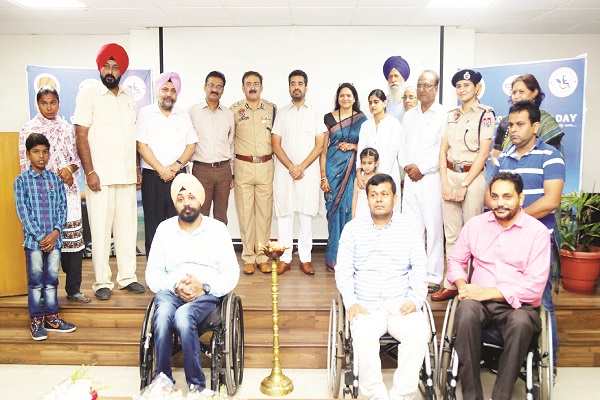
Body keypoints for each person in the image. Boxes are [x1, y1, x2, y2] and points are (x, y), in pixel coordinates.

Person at [447, 171, 550, 400]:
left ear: (520, 198)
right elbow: (456, 261)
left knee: (521, 323)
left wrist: (486, 293)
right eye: (495, 197)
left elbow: (534, 287)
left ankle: (501, 396)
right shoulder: (475, 225)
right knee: (465, 311)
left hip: (518, 306)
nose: (500, 203)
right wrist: (463, 285)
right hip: (477, 302)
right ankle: (472, 396)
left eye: (507, 196)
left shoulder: (537, 233)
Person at [488, 100, 565, 375]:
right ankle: (508, 354)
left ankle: (548, 361)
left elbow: (551, 201)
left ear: (535, 126)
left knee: (542, 301)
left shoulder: (550, 156)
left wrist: (515, 218)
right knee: (504, 298)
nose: (514, 129)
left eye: (520, 124)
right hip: (504, 242)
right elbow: (490, 195)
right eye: (511, 124)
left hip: (537, 242)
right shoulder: (504, 158)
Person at [336, 173, 428, 400]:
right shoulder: (352, 229)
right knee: (362, 335)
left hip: (401, 303)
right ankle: (376, 395)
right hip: (365, 305)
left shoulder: (409, 228)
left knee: (419, 331)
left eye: (384, 194)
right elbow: (343, 271)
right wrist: (351, 302)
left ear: (394, 198)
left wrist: (416, 299)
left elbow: (419, 267)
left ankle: (401, 396)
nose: (379, 199)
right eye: (373, 195)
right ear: (367, 198)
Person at [145, 173, 239, 392]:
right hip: (171, 290)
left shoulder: (217, 229)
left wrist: (204, 287)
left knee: (183, 316)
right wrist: (175, 286)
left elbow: (231, 272)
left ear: (201, 200)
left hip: (205, 294)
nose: (186, 203)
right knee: (162, 316)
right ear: (174, 203)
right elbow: (153, 272)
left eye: (191, 197)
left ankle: (197, 386)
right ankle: (162, 381)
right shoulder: (164, 229)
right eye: (180, 199)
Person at [73, 43, 145, 300]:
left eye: (115, 67)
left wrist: (136, 167)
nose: (110, 71)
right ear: (100, 68)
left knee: (127, 230)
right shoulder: (89, 94)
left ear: (121, 70)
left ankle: (127, 278)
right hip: (99, 177)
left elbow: (131, 135)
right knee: (101, 232)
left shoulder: (128, 96)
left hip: (126, 175)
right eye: (106, 66)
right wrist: (89, 171)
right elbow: (81, 134)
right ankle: (102, 282)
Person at [19, 86, 90, 304]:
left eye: (53, 103)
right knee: (45, 241)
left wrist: (69, 169)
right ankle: (43, 292)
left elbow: (77, 159)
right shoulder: (28, 129)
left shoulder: (67, 129)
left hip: (67, 192)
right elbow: (24, 164)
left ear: (59, 103)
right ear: (37, 104)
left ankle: (74, 289)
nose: (49, 108)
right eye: (44, 103)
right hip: (40, 196)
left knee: (72, 242)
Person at [432, 69, 494, 302]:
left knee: (473, 234)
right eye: (458, 86)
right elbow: (443, 149)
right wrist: (444, 181)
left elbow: (483, 153)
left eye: (467, 85)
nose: (462, 89)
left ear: (477, 88)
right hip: (450, 175)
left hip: (472, 177)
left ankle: (474, 285)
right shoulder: (452, 115)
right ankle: (452, 283)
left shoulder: (485, 114)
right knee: (451, 235)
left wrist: (464, 185)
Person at [14, 133, 77, 341]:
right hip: (34, 242)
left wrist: (56, 232)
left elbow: (62, 208)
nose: (41, 156)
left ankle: (52, 318)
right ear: (28, 155)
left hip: (55, 241)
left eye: (45, 152)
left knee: (51, 280)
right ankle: (36, 320)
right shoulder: (21, 181)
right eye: (36, 152)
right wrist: (42, 237)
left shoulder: (55, 180)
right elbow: (23, 212)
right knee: (35, 282)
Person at [137, 71, 197, 257]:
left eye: (173, 90)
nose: (168, 94)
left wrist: (176, 166)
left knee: (178, 223)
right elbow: (141, 145)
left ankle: (178, 266)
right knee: (153, 225)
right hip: (152, 178)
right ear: (158, 91)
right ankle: (154, 269)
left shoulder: (183, 114)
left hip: (178, 178)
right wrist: (161, 169)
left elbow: (191, 145)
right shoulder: (145, 113)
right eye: (165, 89)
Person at [272, 69, 326, 275]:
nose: (296, 87)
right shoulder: (281, 113)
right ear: (289, 88)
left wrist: (301, 167)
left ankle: (305, 258)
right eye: (293, 83)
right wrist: (291, 167)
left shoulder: (315, 112)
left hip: (307, 172)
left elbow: (320, 144)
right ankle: (285, 258)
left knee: (305, 215)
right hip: (285, 172)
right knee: (285, 215)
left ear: (306, 87)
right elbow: (275, 144)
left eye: (300, 83)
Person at [399, 70, 446, 294]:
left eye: (427, 85)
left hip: (431, 178)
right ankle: (413, 274)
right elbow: (402, 145)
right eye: (419, 85)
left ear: (436, 88)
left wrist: (422, 169)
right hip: (410, 179)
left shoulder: (443, 115)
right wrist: (407, 166)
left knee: (434, 228)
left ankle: (433, 276)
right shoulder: (409, 115)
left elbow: (442, 149)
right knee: (411, 229)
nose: (422, 90)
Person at [230, 71, 277, 275]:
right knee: (245, 214)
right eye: (248, 84)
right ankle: (248, 257)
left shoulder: (272, 109)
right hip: (243, 166)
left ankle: (262, 256)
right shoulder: (234, 110)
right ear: (243, 87)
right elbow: (229, 140)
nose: (252, 87)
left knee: (264, 215)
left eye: (256, 83)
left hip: (266, 165)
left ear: (261, 87)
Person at [320, 83, 368, 271]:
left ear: (354, 98)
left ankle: (348, 259)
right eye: (342, 95)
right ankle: (333, 258)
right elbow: (323, 150)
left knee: (350, 211)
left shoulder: (362, 119)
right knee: (333, 212)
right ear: (337, 98)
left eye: (349, 95)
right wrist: (323, 176)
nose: (345, 98)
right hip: (332, 170)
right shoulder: (329, 118)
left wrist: (353, 147)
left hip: (352, 171)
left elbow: (367, 145)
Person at [189, 71, 235, 225]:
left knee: (221, 216)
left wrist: (232, 173)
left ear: (223, 90)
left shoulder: (228, 113)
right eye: (211, 85)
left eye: (219, 87)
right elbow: (188, 142)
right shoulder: (193, 112)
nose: (214, 89)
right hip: (201, 170)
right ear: (205, 87)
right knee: (200, 214)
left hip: (224, 170)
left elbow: (231, 143)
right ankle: (200, 242)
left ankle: (220, 242)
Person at [491, 74, 564, 163]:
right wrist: (502, 169)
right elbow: (495, 156)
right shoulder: (505, 122)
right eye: (514, 92)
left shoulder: (546, 121)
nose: (516, 96)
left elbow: (551, 157)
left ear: (534, 92)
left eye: (521, 92)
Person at [356, 90, 403, 198]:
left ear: (384, 103)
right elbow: (361, 151)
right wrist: (359, 174)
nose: (373, 105)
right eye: (370, 102)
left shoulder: (393, 123)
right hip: (368, 174)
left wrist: (380, 174)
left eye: (376, 102)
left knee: (388, 202)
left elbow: (393, 151)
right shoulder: (365, 125)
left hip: (389, 173)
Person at [352, 147, 379, 220]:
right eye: (364, 163)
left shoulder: (378, 177)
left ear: (376, 163)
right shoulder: (358, 179)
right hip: (360, 209)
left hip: (373, 209)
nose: (366, 166)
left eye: (370, 163)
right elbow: (355, 198)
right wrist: (353, 216)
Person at [382, 55, 411, 121]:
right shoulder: (384, 102)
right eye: (390, 76)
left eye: (396, 76)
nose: (393, 80)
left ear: (403, 77)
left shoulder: (412, 100)